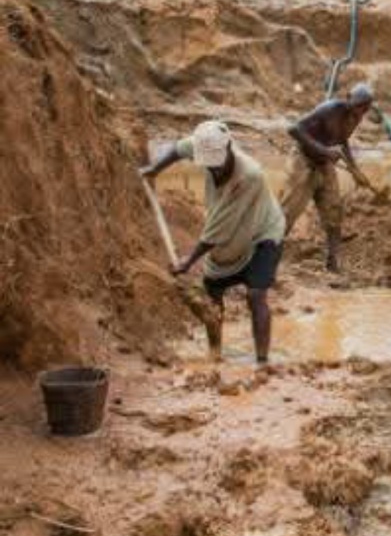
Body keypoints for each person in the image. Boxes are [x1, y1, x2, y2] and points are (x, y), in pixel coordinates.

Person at [141, 120, 286, 364]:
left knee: (255, 295)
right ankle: (215, 354)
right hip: (230, 236)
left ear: (228, 147)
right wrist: (154, 169)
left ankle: (262, 363)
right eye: (209, 165)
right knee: (212, 294)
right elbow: (178, 149)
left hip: (262, 232)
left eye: (217, 164)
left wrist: (189, 261)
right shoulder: (204, 144)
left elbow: (219, 227)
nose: (214, 170)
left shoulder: (249, 176)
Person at [280, 83, 375, 272]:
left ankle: (333, 262)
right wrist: (323, 150)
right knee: (289, 211)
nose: (360, 112)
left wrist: (354, 169)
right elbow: (294, 129)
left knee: (333, 211)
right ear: (348, 98)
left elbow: (343, 140)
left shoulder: (355, 117)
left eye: (364, 108)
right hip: (303, 159)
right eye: (358, 106)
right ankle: (267, 254)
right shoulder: (330, 109)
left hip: (324, 164)